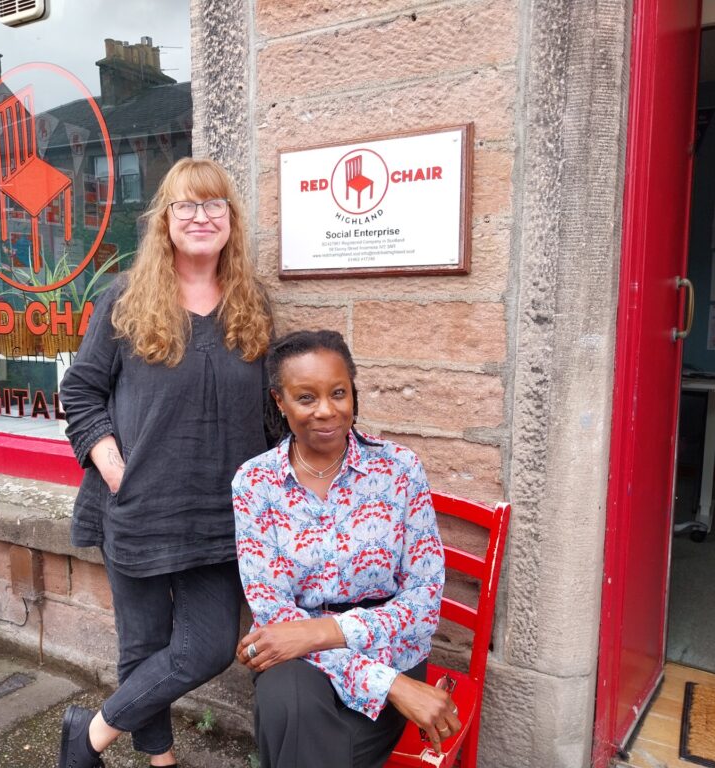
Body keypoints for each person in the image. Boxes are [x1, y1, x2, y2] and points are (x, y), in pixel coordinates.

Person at [57, 157, 274, 768]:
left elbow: (271, 413)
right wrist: (110, 462)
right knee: (144, 645)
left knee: (206, 649)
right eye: (186, 205)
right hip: (138, 509)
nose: (200, 217)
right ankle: (160, 760)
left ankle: (89, 734)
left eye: (213, 206)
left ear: (230, 220)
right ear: (166, 220)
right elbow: (80, 391)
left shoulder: (251, 305)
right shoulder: (124, 299)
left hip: (218, 519)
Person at [232, 330, 460, 768]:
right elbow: (273, 613)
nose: (326, 411)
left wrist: (322, 633)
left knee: (297, 745)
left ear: (353, 392)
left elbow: (424, 597)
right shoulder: (254, 483)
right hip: (299, 660)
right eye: (305, 398)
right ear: (279, 401)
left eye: (338, 393)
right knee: (288, 705)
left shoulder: (398, 469)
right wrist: (391, 687)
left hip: (390, 647)